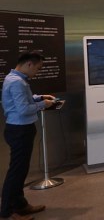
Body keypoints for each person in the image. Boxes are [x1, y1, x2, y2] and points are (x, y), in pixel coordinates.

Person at [1, 51, 55, 220]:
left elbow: (23, 100)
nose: (36, 72)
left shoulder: (15, 79)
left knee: (20, 170)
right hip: (19, 130)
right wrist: (42, 104)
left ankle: (20, 206)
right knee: (16, 172)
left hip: (19, 129)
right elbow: (23, 109)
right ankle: (8, 212)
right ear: (29, 64)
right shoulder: (17, 82)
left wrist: (39, 97)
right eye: (37, 69)